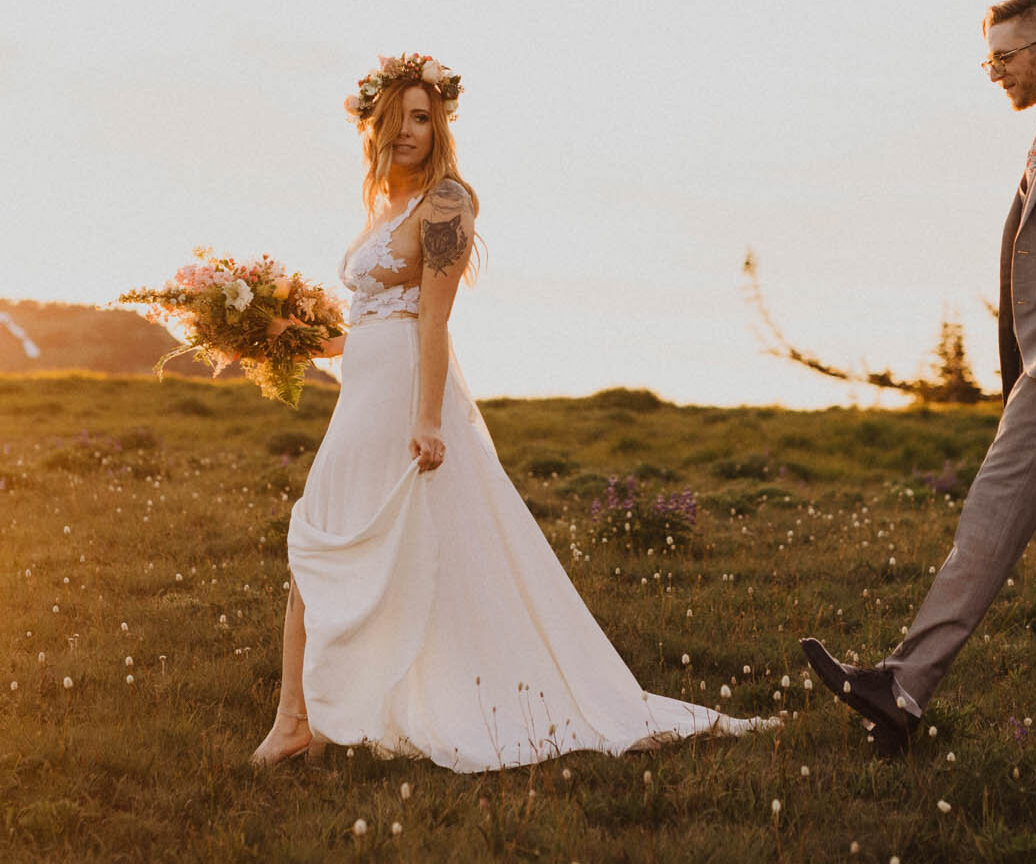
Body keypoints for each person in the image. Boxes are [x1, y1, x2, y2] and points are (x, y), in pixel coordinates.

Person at [250, 53, 774, 770]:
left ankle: (301, 720)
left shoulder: (446, 205)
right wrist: (285, 333)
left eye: (422, 118)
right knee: (324, 546)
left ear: (440, 129)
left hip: (403, 398)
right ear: (372, 124)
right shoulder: (383, 209)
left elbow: (431, 321)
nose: (408, 132)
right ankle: (303, 716)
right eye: (396, 117)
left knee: (332, 545)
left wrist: (428, 420)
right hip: (359, 399)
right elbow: (368, 322)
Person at [802, 0, 1036, 754]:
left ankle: (903, 683)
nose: (993, 73)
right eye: (989, 59)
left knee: (991, 512)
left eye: (1003, 57)